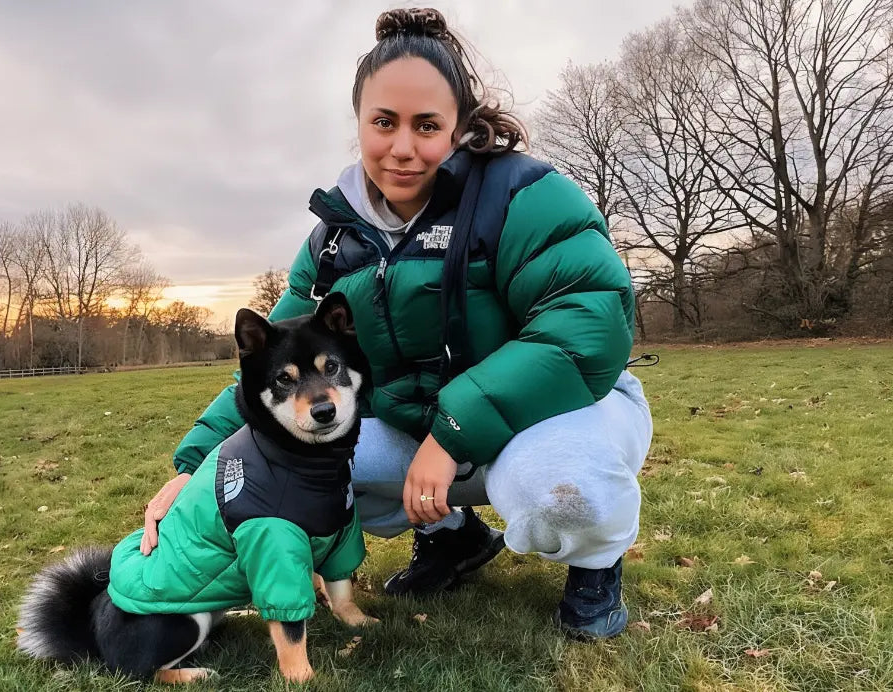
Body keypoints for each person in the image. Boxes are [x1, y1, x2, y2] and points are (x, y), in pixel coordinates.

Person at [140, 7, 652, 640]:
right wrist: (194, 467)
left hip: (557, 413)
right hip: (427, 431)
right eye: (384, 122)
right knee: (301, 466)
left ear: (460, 127)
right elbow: (272, 367)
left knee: (560, 486)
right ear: (359, 122)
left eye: (427, 125)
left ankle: (595, 565)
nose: (402, 148)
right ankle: (452, 538)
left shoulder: (525, 194)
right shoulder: (333, 243)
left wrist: (451, 433)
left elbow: (587, 327)